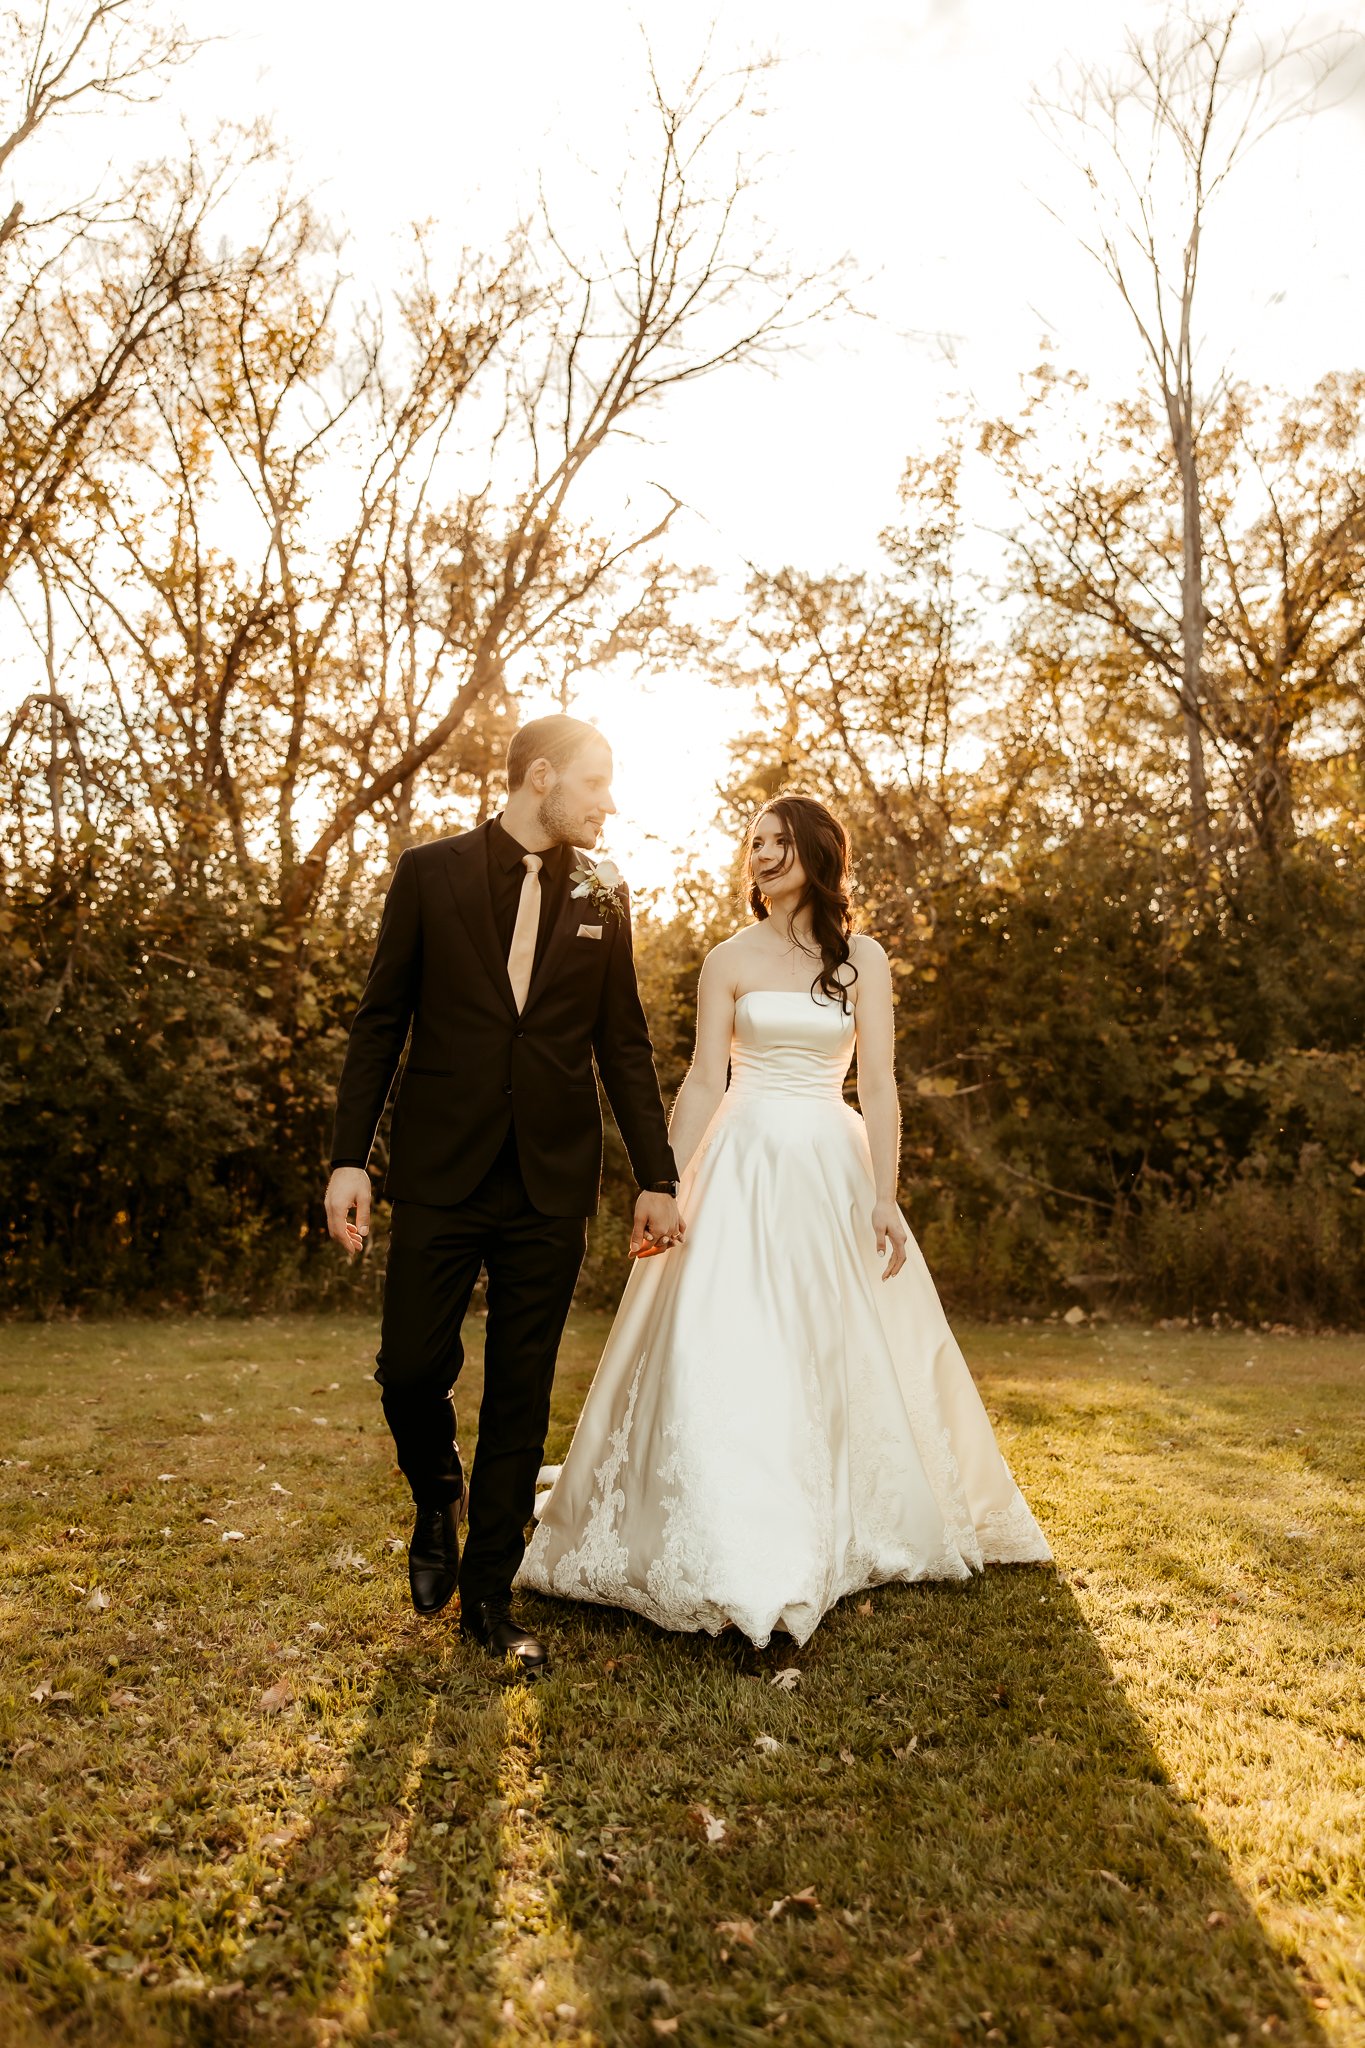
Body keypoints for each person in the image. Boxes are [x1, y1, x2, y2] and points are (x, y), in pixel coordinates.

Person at [518, 794, 1051, 1646]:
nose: (761, 853)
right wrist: (665, 1180)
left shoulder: (861, 960)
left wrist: (884, 1193)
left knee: (827, 1340)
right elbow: (701, 1082)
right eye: (753, 842)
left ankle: (827, 1509)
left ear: (814, 852)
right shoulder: (727, 957)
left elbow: (876, 1084)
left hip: (826, 1166)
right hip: (737, 1161)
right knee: (721, 1335)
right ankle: (722, 1518)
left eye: (777, 840)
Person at [324, 715, 680, 1679]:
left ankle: (489, 1594)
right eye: (596, 783)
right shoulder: (429, 873)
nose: (609, 804)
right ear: (538, 777)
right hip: (441, 1169)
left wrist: (657, 1175)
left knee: (521, 1392)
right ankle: (434, 1490)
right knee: (408, 1368)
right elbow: (380, 1022)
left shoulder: (605, 891)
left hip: (548, 1180)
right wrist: (349, 1157)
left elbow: (623, 1042)